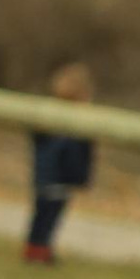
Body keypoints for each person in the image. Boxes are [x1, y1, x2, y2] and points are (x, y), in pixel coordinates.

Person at [26, 62, 99, 264]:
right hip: (58, 178)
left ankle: (36, 248)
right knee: (48, 217)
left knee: (42, 215)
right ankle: (38, 250)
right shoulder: (73, 127)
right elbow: (74, 157)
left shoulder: (47, 115)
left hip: (44, 176)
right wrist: (78, 177)